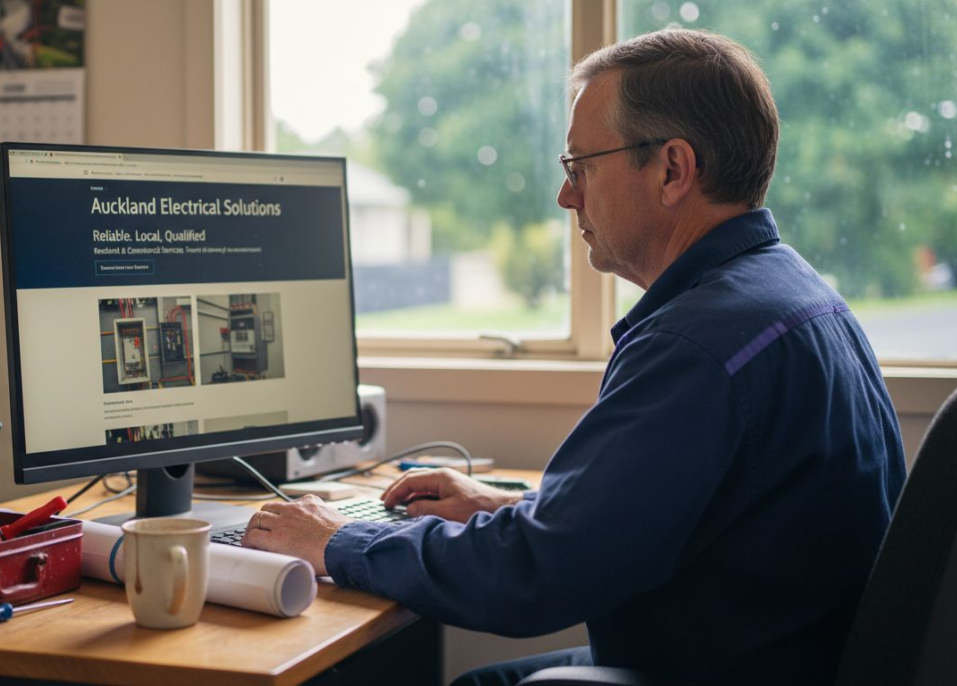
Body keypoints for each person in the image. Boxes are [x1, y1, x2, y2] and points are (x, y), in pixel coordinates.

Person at [242, 28, 906, 686]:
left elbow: (531, 581)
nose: (567, 197)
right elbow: (648, 523)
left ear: (672, 168)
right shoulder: (791, 294)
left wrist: (335, 540)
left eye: (579, 168)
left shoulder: (697, 346)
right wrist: (500, 511)